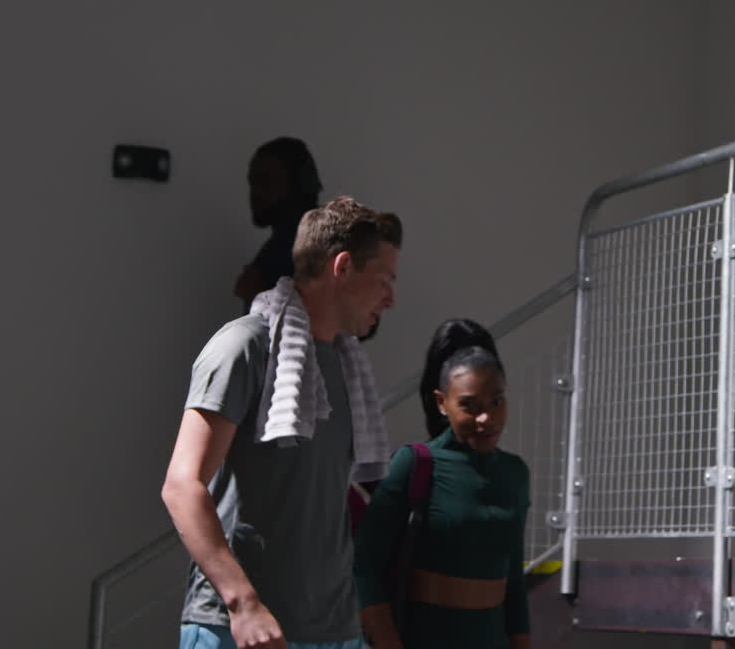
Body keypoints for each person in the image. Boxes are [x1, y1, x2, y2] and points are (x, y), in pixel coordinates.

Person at [163, 196, 402, 649]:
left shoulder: (348, 367)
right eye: (385, 280)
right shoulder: (244, 347)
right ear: (344, 266)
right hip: (242, 629)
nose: (391, 299)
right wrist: (243, 605)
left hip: (334, 630)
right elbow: (181, 485)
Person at [354, 321, 531, 649]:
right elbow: (365, 567)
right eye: (469, 405)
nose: (486, 418)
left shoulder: (515, 474)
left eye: (496, 401)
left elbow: (515, 583)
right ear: (441, 403)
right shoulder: (414, 463)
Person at [234, 136, 322, 311]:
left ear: (298, 187)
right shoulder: (280, 245)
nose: (255, 194)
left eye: (266, 183)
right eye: (252, 182)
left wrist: (259, 294)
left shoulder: (317, 247)